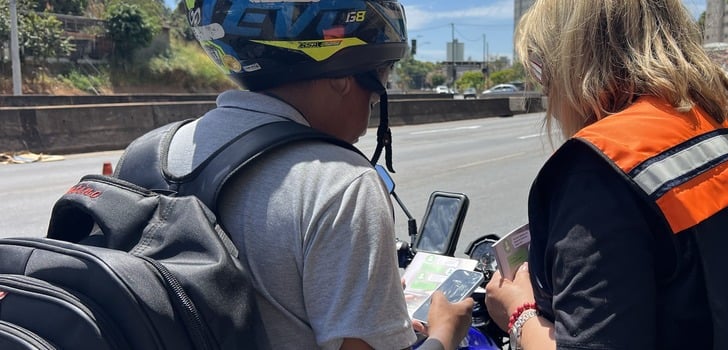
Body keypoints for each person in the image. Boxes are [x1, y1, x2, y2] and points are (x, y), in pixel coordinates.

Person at [115, 0, 472, 349]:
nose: (380, 94)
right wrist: (445, 334)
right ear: (343, 78)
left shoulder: (145, 155)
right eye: (382, 72)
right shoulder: (340, 182)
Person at [484, 0, 728, 349]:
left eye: (544, 71)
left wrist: (518, 312)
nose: (548, 94)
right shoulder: (725, 137)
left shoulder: (601, 172)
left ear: (574, 63)